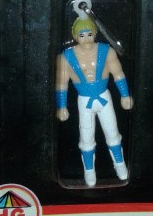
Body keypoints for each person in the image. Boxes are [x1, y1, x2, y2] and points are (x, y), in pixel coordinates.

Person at [56, 17, 133, 187]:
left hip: (104, 97)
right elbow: (61, 84)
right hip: (84, 101)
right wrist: (61, 106)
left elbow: (118, 74)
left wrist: (125, 95)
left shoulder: (107, 51)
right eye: (81, 35)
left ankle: (119, 163)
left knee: (113, 133)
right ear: (75, 36)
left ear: (95, 33)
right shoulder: (66, 57)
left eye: (89, 34)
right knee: (86, 137)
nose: (86, 39)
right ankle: (89, 169)